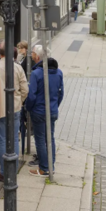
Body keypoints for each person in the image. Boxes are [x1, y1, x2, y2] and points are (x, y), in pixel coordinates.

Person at [0, 46, 28, 182]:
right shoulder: (18, 67)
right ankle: (13, 170)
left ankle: (4, 172)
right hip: (15, 108)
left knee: (2, 140)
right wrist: (19, 101)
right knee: (14, 138)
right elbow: (25, 89)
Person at [25, 45, 64, 177]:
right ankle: (50, 166)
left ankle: (43, 168)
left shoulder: (36, 73)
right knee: (50, 138)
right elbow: (61, 93)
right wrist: (54, 106)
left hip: (39, 112)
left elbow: (31, 95)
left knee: (40, 139)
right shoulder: (58, 73)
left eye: (33, 54)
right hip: (52, 111)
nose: (32, 56)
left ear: (37, 56)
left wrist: (29, 108)